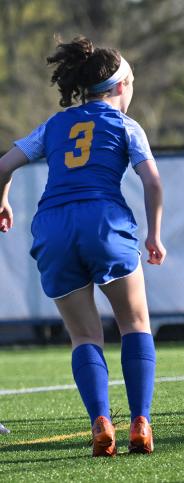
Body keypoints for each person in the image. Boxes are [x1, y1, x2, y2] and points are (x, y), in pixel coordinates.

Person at [0, 37, 165, 456]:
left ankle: (100, 422)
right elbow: (152, 182)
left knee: (84, 335)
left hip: (53, 226)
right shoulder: (127, 126)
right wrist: (154, 234)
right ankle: (140, 422)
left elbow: (3, 165)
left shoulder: (55, 125)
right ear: (121, 86)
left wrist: (2, 200)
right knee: (134, 324)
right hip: (103, 221)